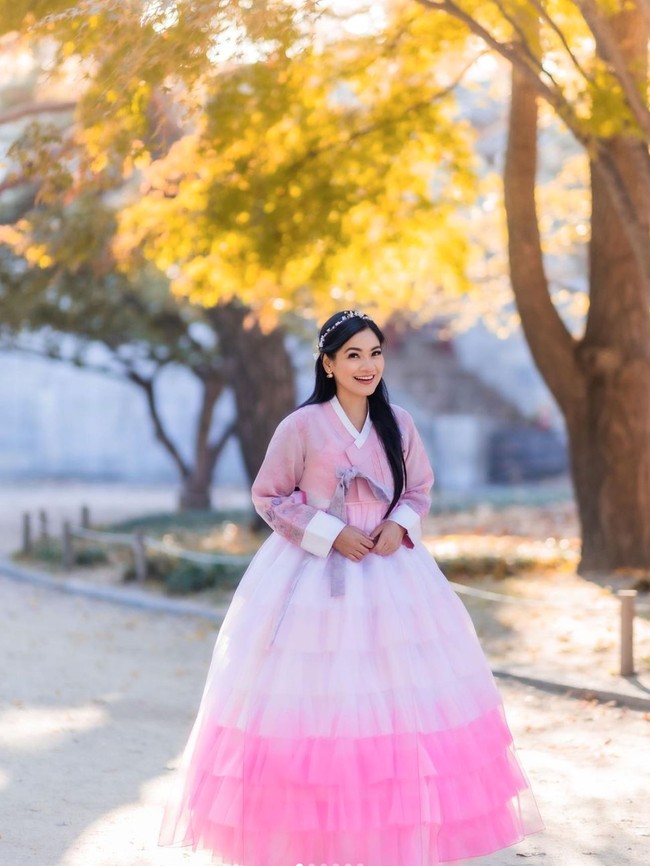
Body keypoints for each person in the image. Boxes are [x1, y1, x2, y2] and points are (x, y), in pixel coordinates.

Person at [159, 309, 544, 866]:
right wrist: (330, 533)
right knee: (319, 700)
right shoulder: (302, 426)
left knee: (397, 701)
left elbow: (419, 490)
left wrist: (398, 526)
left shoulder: (400, 423)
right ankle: (314, 838)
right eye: (354, 355)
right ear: (329, 363)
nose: (367, 366)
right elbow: (269, 497)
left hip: (393, 576)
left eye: (375, 353)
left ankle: (386, 838)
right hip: (314, 576)